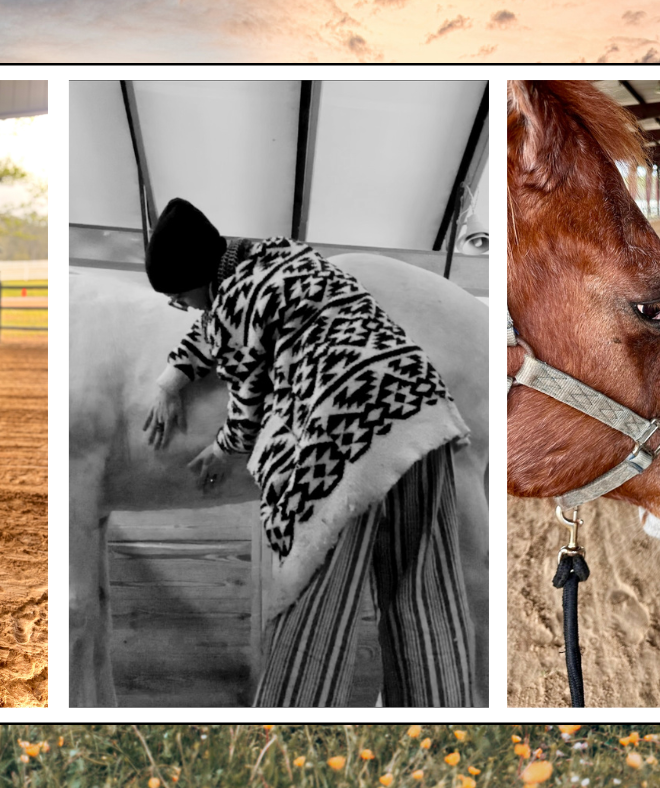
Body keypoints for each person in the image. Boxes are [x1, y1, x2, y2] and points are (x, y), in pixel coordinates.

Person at [136, 197, 477, 707]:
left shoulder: (231, 302)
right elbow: (217, 328)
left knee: (316, 594)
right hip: (422, 410)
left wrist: (223, 448)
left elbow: (246, 394)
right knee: (423, 590)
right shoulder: (288, 256)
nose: (182, 306)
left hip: (346, 433)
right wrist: (172, 379)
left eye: (180, 295)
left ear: (201, 278)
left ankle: (293, 732)